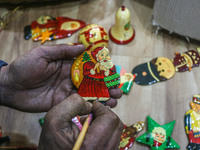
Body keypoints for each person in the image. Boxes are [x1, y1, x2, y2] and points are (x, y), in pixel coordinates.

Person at [0, 44, 123, 149]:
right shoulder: (89, 63)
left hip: (99, 88)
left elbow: (110, 78)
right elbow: (87, 71)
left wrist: (4, 81)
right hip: (88, 85)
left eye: (104, 55)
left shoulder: (107, 65)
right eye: (101, 55)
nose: (103, 57)